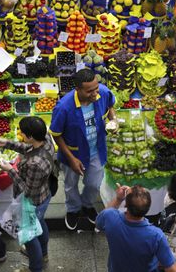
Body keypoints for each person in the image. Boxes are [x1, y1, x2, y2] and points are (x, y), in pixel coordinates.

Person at [50, 68, 117, 230]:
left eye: (96, 88)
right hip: (73, 154)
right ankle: (73, 209)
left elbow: (110, 106)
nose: (95, 93)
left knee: (94, 184)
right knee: (70, 185)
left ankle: (87, 205)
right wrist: (72, 159)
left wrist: (113, 120)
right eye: (90, 91)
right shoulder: (64, 107)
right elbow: (56, 134)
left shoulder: (103, 92)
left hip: (96, 151)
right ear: (77, 89)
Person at [0, 116, 55, 272]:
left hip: (34, 202)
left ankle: (36, 266)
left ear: (31, 136)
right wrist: (5, 142)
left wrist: (10, 171)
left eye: (22, 133)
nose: (20, 135)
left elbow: (28, 190)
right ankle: (44, 254)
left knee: (29, 236)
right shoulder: (45, 139)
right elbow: (28, 148)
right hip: (44, 193)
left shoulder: (36, 164)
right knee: (40, 224)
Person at [96, 184, 176, 272]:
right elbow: (171, 269)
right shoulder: (156, 235)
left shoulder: (110, 217)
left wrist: (118, 199)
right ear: (148, 208)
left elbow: (99, 222)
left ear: (126, 205)